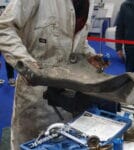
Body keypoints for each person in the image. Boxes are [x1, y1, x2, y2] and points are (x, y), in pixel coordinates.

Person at [0, 0, 95, 149]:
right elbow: (4, 28)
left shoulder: (89, 2)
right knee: (30, 143)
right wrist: (28, 66)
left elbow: (77, 40)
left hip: (69, 94)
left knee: (63, 141)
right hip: (36, 95)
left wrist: (90, 56)